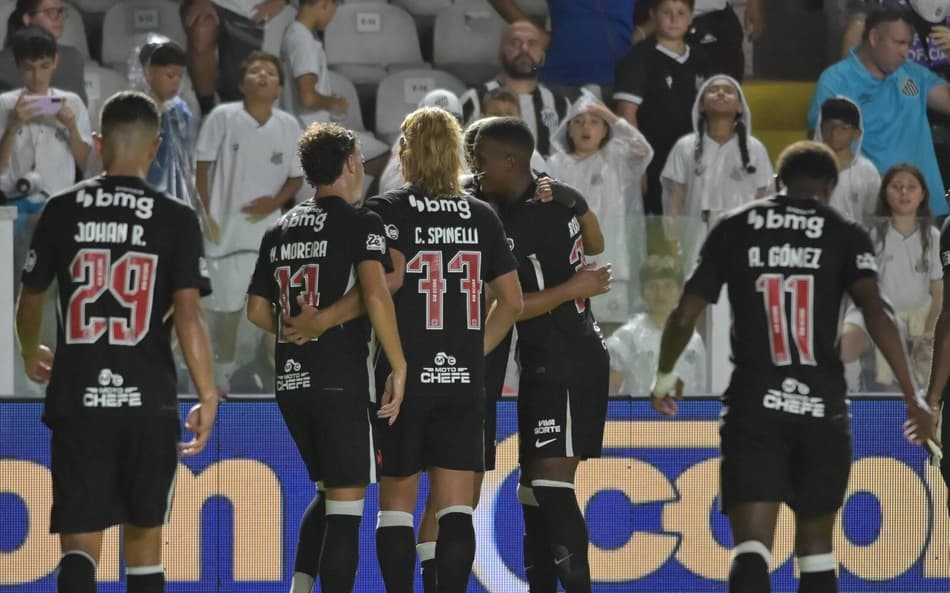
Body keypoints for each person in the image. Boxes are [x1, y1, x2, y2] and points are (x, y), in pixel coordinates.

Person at [649, 140, 933, 593]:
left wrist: (664, 377)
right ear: (831, 186)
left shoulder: (735, 226)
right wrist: (912, 393)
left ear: (778, 181)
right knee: (817, 549)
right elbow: (879, 311)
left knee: (751, 550)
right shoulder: (844, 232)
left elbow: (684, 314)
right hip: (822, 406)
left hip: (754, 404)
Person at [15, 90, 218, 593]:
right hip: (148, 400)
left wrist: (27, 351)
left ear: (100, 144)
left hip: (78, 396)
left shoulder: (62, 210)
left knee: (80, 545)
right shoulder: (175, 217)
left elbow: (31, 299)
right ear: (154, 149)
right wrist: (209, 392)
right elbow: (189, 314)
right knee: (145, 547)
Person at [365, 106, 523, 593]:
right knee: (455, 508)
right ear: (457, 153)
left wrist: (398, 363)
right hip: (461, 380)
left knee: (397, 505)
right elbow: (512, 302)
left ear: (404, 153)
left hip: (401, 377)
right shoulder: (481, 215)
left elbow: (374, 293)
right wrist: (472, 356)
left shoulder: (385, 210)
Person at [246, 122, 408, 593]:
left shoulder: (280, 228)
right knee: (345, 510)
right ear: (353, 163)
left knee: (327, 493)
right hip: (340, 380)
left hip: (292, 383)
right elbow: (376, 295)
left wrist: (296, 327)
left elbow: (257, 310)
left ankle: (299, 588)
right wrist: (398, 365)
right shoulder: (361, 222)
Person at [473, 116, 611, 593]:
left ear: (511, 161)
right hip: (543, 359)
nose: (475, 167)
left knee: (552, 484)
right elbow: (595, 243)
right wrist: (579, 203)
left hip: (569, 357)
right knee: (531, 489)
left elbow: (513, 305)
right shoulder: (541, 200)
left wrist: (574, 285)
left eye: (481, 157)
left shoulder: (528, 217)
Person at [195, 50, 303, 394]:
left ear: (278, 87)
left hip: (266, 233)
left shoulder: (288, 125)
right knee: (226, 312)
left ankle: (273, 378)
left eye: (269, 73)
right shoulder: (222, 117)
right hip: (223, 234)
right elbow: (202, 165)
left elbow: (296, 177)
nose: (261, 77)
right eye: (254, 72)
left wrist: (275, 201)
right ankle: (221, 380)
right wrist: (206, 213)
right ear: (242, 84)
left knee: (267, 309)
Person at [809, 5, 950, 217]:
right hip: (871, 211)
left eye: (908, 44)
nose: (906, 52)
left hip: (927, 210)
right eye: (899, 43)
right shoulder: (837, 81)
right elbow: (822, 145)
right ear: (874, 38)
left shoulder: (912, 75)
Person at [547, 91, 654, 327]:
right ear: (568, 129)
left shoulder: (616, 159)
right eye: (579, 121)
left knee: (610, 329)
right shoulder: (555, 165)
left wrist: (610, 116)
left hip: (612, 261)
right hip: (567, 267)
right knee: (571, 329)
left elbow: (643, 150)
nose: (586, 127)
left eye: (595, 122)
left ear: (605, 130)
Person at [840, 163, 942, 390]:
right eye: (896, 187)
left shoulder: (933, 236)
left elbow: (938, 291)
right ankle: (850, 400)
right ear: (885, 192)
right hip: (875, 311)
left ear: (923, 193)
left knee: (930, 360)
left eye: (911, 187)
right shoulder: (869, 235)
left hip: (918, 316)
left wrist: (928, 330)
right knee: (846, 344)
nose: (904, 192)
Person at [661, 74, 772, 265]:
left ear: (740, 107)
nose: (721, 93)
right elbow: (674, 202)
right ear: (701, 104)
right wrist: (673, 249)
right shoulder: (685, 146)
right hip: (694, 239)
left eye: (728, 91)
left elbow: (763, 201)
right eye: (713, 90)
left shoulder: (756, 149)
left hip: (742, 241)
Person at [615, 0, 708, 218]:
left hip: (693, 158)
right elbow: (627, 114)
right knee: (658, 224)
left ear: (691, 17)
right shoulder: (638, 58)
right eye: (667, 12)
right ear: (653, 15)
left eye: (681, 13)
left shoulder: (700, 58)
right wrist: (638, 165)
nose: (674, 19)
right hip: (655, 158)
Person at [0, 26, 91, 204]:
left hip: (60, 202)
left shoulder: (72, 103)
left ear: (55, 61)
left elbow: (87, 165)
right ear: (18, 65)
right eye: (29, 68)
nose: (37, 76)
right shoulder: (4, 104)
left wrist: (72, 128)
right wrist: (11, 129)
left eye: (44, 66)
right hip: (11, 200)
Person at [458, 20, 570, 157]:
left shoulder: (561, 105)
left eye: (532, 43)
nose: (524, 49)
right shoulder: (473, 99)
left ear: (542, 57)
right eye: (515, 43)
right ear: (500, 55)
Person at [486, 1, 636, 100]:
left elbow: (659, 8)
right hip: (560, 80)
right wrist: (534, 33)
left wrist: (643, 32)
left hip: (621, 83)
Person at [607, 254, 706, 396]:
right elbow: (609, 395)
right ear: (643, 292)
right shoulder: (626, 337)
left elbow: (701, 391)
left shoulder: (693, 339)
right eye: (653, 286)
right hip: (638, 416)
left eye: (668, 286)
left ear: (680, 292)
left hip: (684, 416)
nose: (660, 294)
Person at [183, 0, 290, 115]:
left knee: (237, 88)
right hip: (212, 4)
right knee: (201, 32)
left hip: (254, 13)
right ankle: (206, 111)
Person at [130, 37, 199, 210]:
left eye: (180, 76)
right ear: (148, 72)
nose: (176, 82)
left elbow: (187, 151)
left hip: (176, 192)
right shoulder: (135, 108)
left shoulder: (181, 111)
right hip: (143, 191)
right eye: (170, 75)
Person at [378, 89, 464, 195]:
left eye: (448, 122)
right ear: (419, 123)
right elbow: (389, 188)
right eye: (433, 123)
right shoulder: (407, 142)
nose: (441, 130)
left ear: (461, 123)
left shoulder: (465, 142)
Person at [0, 0, 86, 102]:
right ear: (27, 19)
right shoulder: (3, 63)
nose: (60, 18)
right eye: (51, 12)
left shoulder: (72, 58)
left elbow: (79, 106)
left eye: (61, 11)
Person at [812, 97, 880, 225]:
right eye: (829, 126)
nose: (834, 133)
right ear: (820, 129)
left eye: (843, 128)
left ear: (857, 133)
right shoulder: (806, 167)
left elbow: (871, 214)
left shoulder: (867, 170)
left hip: (854, 242)